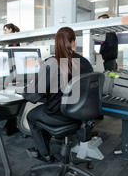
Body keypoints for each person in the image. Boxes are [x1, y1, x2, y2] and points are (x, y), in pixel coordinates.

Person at [23, 26, 94, 162]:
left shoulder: (52, 63)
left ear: (56, 44)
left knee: (32, 116)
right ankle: (47, 145)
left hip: (60, 115)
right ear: (74, 42)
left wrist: (25, 89)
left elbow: (33, 96)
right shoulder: (85, 63)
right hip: (81, 114)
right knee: (42, 111)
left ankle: (44, 154)